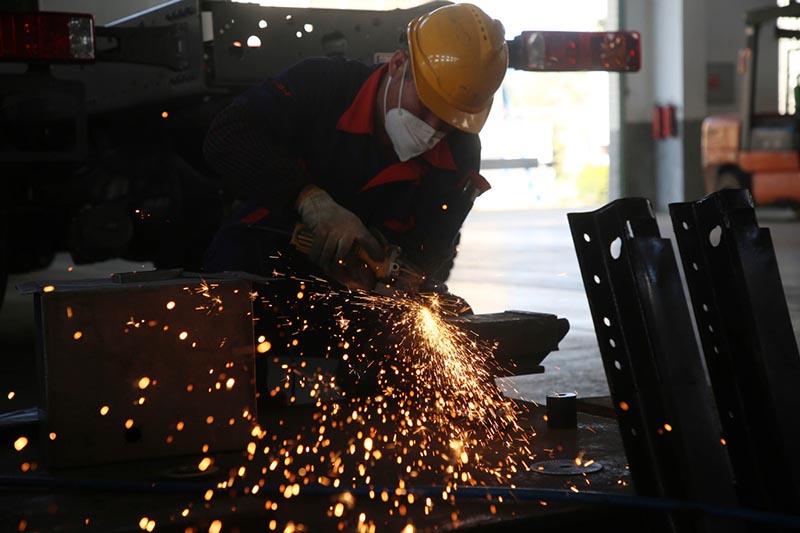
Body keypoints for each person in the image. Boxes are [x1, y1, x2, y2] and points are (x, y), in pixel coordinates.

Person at [202, 3, 508, 292]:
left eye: (448, 119)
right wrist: (309, 199)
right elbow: (225, 136)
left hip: (350, 304)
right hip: (251, 269)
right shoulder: (323, 85)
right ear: (398, 64)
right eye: (426, 106)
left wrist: (399, 282)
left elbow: (431, 253)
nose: (433, 127)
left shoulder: (461, 151)